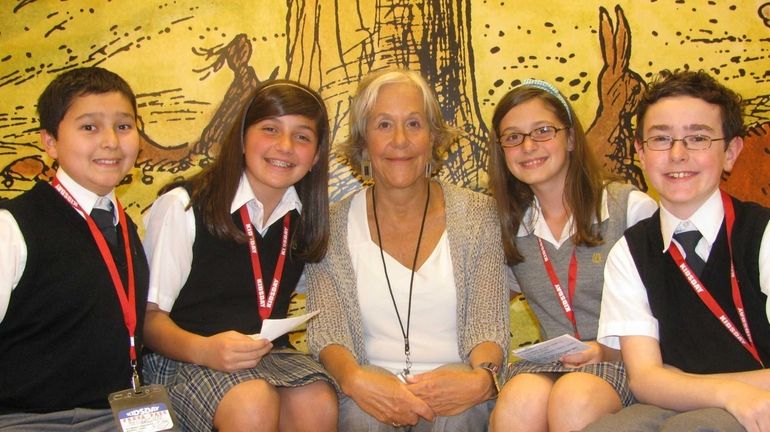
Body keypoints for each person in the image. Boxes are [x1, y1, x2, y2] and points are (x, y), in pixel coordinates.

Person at [306, 69, 509, 432]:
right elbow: (329, 331)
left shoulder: (479, 216)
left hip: (457, 383)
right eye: (383, 125)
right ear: (363, 142)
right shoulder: (332, 225)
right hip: (368, 385)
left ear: (433, 138)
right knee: (361, 417)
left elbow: (487, 326)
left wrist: (480, 378)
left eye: (414, 124)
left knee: (461, 417)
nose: (400, 140)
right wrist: (354, 379)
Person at [141, 80, 337, 432]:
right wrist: (205, 350)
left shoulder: (306, 218)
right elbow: (149, 322)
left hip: (265, 355)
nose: (285, 146)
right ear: (242, 137)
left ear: (317, 155)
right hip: (185, 357)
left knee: (317, 399)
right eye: (270, 129)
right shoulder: (183, 206)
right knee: (252, 401)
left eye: (302, 137)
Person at [585, 70, 770, 432]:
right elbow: (646, 379)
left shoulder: (761, 234)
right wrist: (728, 392)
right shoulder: (631, 251)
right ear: (640, 152)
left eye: (698, 138)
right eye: (661, 139)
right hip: (678, 401)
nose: (677, 154)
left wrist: (687, 383)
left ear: (730, 151)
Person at [486, 79, 657, 432]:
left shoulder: (629, 209)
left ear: (571, 138)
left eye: (543, 131)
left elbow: (669, 311)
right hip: (555, 362)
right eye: (513, 137)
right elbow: (481, 304)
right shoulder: (511, 227)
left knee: (573, 397)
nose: (528, 146)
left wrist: (603, 349)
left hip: (624, 359)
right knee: (518, 399)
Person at [0, 67, 148, 430]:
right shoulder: (13, 226)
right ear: (50, 142)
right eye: (89, 127)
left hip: (119, 414)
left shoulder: (123, 225)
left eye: (124, 126)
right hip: (32, 419)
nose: (111, 141)